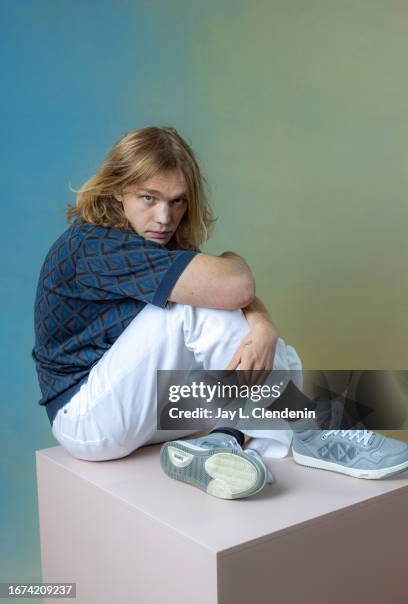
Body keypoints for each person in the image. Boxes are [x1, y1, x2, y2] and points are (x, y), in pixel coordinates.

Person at [32, 126, 408, 500]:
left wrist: (263, 328)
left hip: (142, 411)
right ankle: (313, 428)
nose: (164, 217)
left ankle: (223, 442)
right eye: (149, 198)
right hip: (87, 419)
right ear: (117, 190)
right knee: (191, 309)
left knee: (243, 344)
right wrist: (251, 308)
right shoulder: (95, 245)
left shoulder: (147, 240)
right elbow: (234, 286)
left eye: (177, 201)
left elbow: (229, 284)